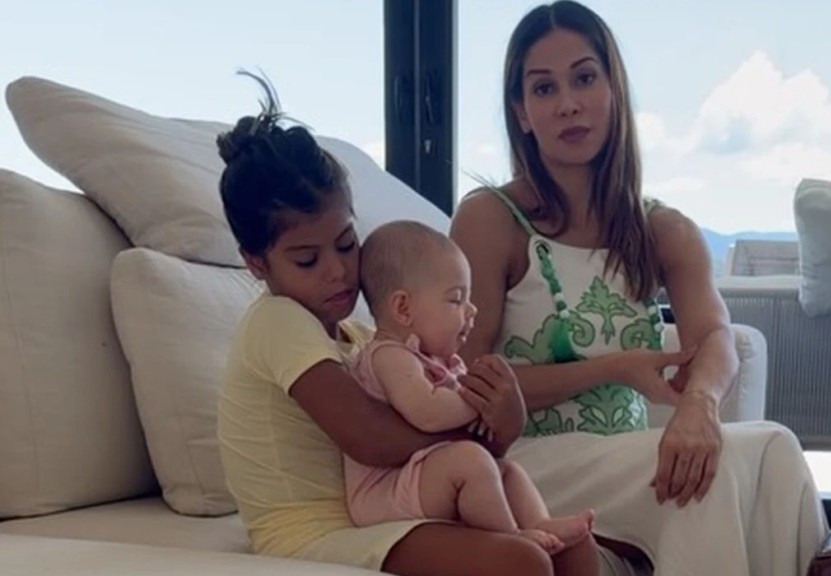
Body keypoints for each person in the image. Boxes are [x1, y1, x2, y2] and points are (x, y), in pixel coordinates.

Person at [449, 2, 830, 575]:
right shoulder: (489, 219)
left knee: (774, 449)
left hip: (627, 461)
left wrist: (700, 404)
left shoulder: (663, 229)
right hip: (524, 467)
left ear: (614, 90)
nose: (568, 103)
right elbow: (465, 382)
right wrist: (616, 368)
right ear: (521, 113)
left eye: (584, 78)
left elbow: (716, 337)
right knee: (715, 473)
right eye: (544, 88)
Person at [215, 72, 599, 576]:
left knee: (573, 548)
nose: (337, 270)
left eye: (346, 244)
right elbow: (371, 438)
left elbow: (438, 448)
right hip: (307, 535)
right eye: (307, 260)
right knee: (522, 560)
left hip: (384, 506)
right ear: (255, 263)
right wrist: (478, 428)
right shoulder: (277, 320)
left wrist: (497, 424)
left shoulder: (361, 338)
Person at [343, 219, 597, 558]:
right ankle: (511, 537)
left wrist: (488, 409)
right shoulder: (388, 355)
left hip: (423, 476)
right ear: (403, 308)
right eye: (456, 299)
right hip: (384, 491)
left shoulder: (438, 360)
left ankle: (539, 521)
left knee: (507, 470)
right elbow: (428, 412)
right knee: (473, 461)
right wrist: (478, 402)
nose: (472, 309)